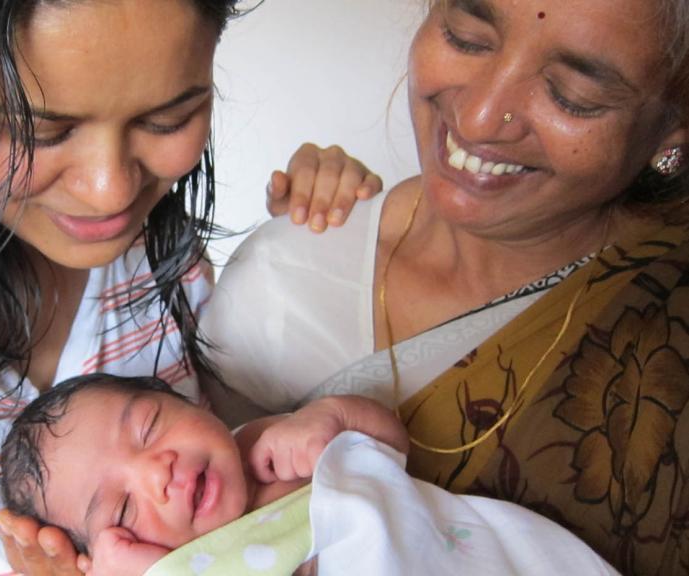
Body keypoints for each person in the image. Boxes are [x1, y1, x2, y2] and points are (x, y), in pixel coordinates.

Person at [0, 1, 381, 575]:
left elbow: (268, 463)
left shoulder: (166, 266)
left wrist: (317, 242)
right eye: (45, 131)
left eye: (166, 121)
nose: (111, 193)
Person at [201, 0, 689, 574]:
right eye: (466, 39)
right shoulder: (285, 285)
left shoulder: (665, 302)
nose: (481, 118)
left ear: (670, 134)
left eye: (570, 97)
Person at [0, 373, 614, 576]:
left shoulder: (264, 444)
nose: (156, 470)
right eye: (123, 510)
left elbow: (386, 450)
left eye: (150, 426)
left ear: (193, 403)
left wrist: (325, 420)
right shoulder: (181, 562)